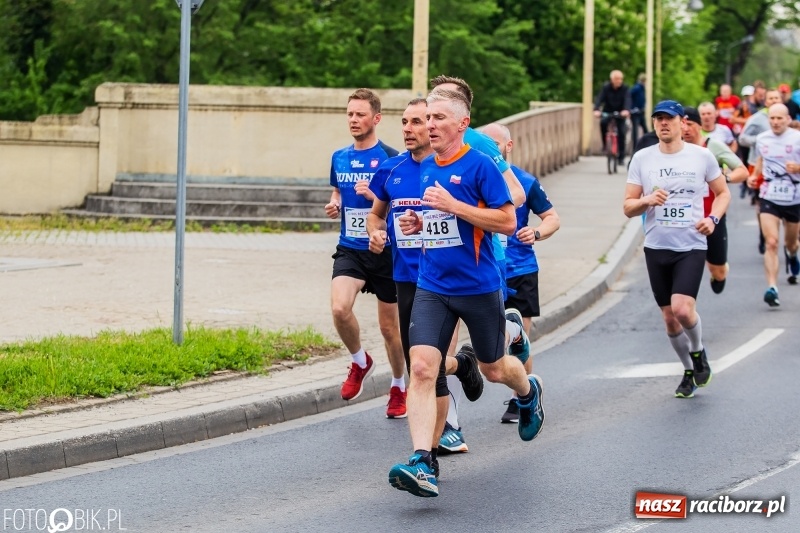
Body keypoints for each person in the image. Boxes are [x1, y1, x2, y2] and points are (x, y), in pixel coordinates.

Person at [388, 89, 544, 498]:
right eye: (426, 118)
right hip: (433, 285)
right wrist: (414, 226)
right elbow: (435, 222)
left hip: (478, 286)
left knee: (495, 369)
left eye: (438, 118)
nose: (429, 125)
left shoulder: (479, 164)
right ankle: (423, 459)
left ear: (461, 125)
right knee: (421, 367)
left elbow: (508, 220)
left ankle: (528, 391)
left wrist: (455, 205)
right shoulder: (425, 167)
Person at [366, 98, 485, 477]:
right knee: (423, 364)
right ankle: (462, 365)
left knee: (425, 368)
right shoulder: (392, 169)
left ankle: (428, 454)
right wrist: (375, 232)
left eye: (418, 121)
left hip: (443, 281)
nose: (409, 128)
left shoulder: (447, 167)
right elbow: (375, 214)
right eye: (405, 121)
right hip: (406, 278)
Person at [624, 100, 730, 399]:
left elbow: (722, 194)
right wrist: (646, 201)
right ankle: (687, 370)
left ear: (683, 122)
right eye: (658, 119)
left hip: (691, 245)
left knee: (683, 309)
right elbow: (628, 207)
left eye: (669, 119)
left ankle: (697, 351)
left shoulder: (702, 156)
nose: (663, 124)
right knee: (669, 318)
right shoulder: (642, 159)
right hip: (657, 247)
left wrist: (712, 218)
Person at [324, 88, 407, 417]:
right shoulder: (339, 157)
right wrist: (335, 203)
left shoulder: (391, 158)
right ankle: (360, 361)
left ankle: (399, 384)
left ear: (376, 118)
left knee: (390, 329)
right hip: (351, 248)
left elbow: (401, 203)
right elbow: (337, 191)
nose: (354, 120)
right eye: (350, 114)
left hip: (384, 250)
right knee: (339, 308)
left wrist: (374, 195)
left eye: (360, 114)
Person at [482, 122, 561, 423]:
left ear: (508, 147)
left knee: (519, 339)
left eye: (494, 144)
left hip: (520, 269)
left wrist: (537, 233)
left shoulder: (525, 182)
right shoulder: (473, 177)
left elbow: (552, 218)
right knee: (492, 344)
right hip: (488, 271)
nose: (487, 150)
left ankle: (521, 398)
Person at [682, 106, 749, 294]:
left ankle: (717, 271)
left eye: (690, 124)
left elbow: (742, 171)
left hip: (713, 215)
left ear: (699, 125)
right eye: (682, 125)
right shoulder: (674, 148)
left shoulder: (712, 146)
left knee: (718, 271)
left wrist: (724, 179)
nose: (686, 129)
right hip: (684, 218)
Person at [747, 103, 800, 306]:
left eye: (780, 118)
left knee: (791, 243)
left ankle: (793, 255)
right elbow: (762, 160)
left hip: (794, 198)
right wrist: (754, 175)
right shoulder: (763, 138)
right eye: (772, 118)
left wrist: (798, 167)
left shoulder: (797, 138)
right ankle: (772, 288)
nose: (776, 122)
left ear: (788, 119)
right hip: (769, 195)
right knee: (771, 242)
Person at [738, 88, 783, 253]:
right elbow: (742, 138)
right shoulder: (757, 119)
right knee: (762, 203)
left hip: (783, 169)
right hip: (758, 165)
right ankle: (764, 234)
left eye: (776, 98)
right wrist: (761, 141)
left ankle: (785, 241)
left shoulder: (786, 119)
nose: (774, 101)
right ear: (766, 101)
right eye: (770, 98)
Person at [593, 70, 632, 165]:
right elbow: (599, 98)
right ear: (612, 79)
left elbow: (628, 99)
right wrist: (596, 109)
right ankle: (605, 145)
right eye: (617, 79)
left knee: (621, 132)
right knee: (603, 123)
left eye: (621, 79)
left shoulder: (625, 88)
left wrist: (626, 110)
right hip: (608, 111)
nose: (619, 81)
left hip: (620, 112)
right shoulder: (606, 87)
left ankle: (621, 157)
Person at [629, 73, 648, 149]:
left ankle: (648, 143)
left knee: (645, 129)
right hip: (635, 112)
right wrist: (632, 107)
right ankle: (635, 147)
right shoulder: (636, 88)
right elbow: (629, 97)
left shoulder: (642, 88)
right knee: (635, 130)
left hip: (640, 111)